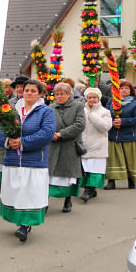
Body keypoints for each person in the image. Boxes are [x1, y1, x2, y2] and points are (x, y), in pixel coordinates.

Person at [0, 80, 56, 243]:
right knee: (16, 194)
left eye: (33, 91)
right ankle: (19, 221)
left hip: (34, 162)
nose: (28, 93)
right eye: (26, 90)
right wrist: (8, 141)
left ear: (40, 94)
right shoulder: (10, 110)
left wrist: (23, 142)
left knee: (30, 194)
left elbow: (47, 133)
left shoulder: (46, 112)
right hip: (13, 160)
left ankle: (25, 225)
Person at [47, 82, 86, 213]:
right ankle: (44, 201)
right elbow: (45, 123)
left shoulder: (78, 106)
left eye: (63, 94)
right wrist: (50, 133)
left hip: (70, 144)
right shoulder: (50, 107)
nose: (59, 96)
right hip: (53, 144)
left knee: (69, 174)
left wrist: (61, 134)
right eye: (57, 94)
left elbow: (80, 124)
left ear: (69, 94)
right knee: (50, 173)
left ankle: (67, 200)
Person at [105, 81, 136, 189]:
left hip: (129, 135)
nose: (123, 90)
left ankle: (131, 180)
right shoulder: (111, 101)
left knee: (130, 159)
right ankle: (111, 181)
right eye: (121, 88)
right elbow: (105, 115)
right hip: (114, 135)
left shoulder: (135, 103)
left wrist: (123, 121)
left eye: (126, 88)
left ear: (130, 91)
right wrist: (112, 122)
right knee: (113, 159)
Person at [80, 87, 112, 202]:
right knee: (85, 169)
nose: (92, 99)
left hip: (98, 146)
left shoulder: (105, 112)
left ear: (99, 98)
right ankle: (90, 190)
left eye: (94, 97)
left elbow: (106, 127)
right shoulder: (81, 111)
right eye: (89, 97)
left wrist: (93, 116)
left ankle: (88, 190)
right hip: (84, 145)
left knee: (94, 170)